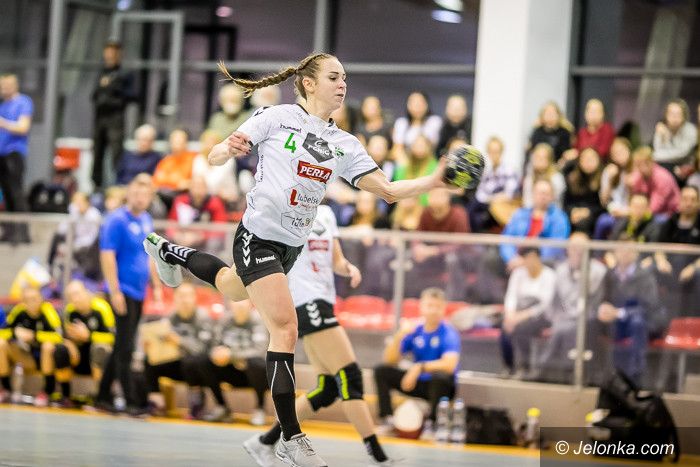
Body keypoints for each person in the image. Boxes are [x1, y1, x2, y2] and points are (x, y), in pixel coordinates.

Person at [144, 52, 451, 467]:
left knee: (232, 287)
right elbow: (214, 155)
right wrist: (226, 149)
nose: (342, 84)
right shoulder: (276, 117)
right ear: (308, 83)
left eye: (345, 78)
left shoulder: (345, 144)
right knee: (285, 329)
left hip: (290, 247)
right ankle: (290, 438)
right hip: (257, 236)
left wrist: (435, 180)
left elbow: (390, 191)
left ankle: (167, 251)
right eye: (333, 77)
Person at [244, 204, 394, 465]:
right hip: (306, 301)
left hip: (324, 300)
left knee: (327, 388)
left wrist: (348, 268)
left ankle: (266, 441)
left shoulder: (326, 213)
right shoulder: (285, 205)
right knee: (350, 376)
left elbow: (336, 260)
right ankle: (379, 456)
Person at [95, 174, 164, 413]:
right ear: (129, 194)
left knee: (122, 345)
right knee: (126, 347)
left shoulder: (145, 219)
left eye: (145, 195)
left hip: (138, 291)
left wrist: (156, 285)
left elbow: (150, 254)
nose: (140, 198)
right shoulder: (116, 220)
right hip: (122, 290)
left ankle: (102, 396)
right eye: (136, 193)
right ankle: (130, 400)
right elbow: (107, 255)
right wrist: (114, 291)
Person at [373, 288, 460, 439]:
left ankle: (432, 424)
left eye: (438, 307)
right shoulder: (415, 330)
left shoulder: (448, 333)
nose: (433, 311)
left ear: (443, 309)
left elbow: (450, 365)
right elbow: (389, 360)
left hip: (440, 387)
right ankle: (387, 420)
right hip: (415, 383)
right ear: (421, 307)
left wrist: (419, 367)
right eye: (430, 306)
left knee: (441, 377)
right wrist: (400, 334)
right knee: (381, 371)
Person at [195, 299, 269, 424]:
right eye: (236, 302)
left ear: (250, 304)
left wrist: (233, 355)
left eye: (243, 302)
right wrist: (217, 353)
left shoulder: (258, 320)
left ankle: (260, 408)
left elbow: (260, 350)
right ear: (230, 305)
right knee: (203, 361)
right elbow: (214, 345)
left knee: (255, 363)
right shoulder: (225, 320)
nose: (239, 306)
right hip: (230, 370)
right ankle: (222, 407)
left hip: (253, 374)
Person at [54, 280, 115, 406]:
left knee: (99, 349)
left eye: (77, 294)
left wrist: (89, 336)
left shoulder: (101, 308)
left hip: (99, 357)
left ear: (86, 292)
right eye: (70, 296)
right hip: (79, 355)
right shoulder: (70, 311)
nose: (74, 299)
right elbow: (62, 335)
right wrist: (69, 343)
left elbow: (112, 337)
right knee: (61, 349)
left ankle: (101, 397)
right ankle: (66, 396)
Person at [0, 286, 62, 406]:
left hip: (45, 358)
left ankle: (47, 391)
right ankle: (6, 389)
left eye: (35, 298)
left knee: (48, 346)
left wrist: (34, 336)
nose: (32, 302)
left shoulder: (48, 311)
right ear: (23, 301)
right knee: (1, 343)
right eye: (27, 299)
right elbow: (2, 331)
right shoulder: (19, 311)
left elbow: (59, 336)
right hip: (25, 357)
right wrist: (15, 333)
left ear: (41, 298)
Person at [500, 248, 556, 378]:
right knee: (505, 328)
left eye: (533, 258)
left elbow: (545, 305)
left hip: (542, 316)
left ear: (539, 258)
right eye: (527, 258)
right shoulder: (518, 273)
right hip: (518, 312)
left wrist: (520, 317)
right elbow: (511, 296)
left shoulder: (549, 275)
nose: (531, 261)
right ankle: (509, 366)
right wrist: (510, 315)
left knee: (521, 328)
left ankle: (525, 367)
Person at [91, 40, 135, 190]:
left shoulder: (124, 74)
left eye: (113, 52)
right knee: (97, 152)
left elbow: (133, 95)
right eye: (107, 52)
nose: (109, 55)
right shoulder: (101, 73)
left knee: (117, 153)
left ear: (118, 54)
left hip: (115, 118)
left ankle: (119, 184)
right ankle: (96, 185)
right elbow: (94, 95)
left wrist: (113, 88)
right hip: (100, 118)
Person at [0, 73, 33, 243]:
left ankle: (23, 232)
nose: (4, 88)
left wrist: (3, 123)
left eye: (7, 85)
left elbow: (23, 127)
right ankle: (10, 231)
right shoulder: (3, 105)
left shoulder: (23, 102)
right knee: (6, 194)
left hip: (14, 153)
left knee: (16, 192)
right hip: (1, 154)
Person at [628, 146, 680, 218]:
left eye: (646, 163)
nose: (642, 167)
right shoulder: (638, 175)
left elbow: (654, 208)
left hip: (670, 213)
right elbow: (636, 197)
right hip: (649, 212)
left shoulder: (662, 178)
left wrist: (630, 213)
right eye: (638, 164)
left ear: (652, 162)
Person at [652, 99, 697, 180]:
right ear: (666, 115)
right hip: (664, 163)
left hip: (684, 166)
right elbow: (657, 149)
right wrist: (663, 136)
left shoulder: (691, 130)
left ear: (684, 116)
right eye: (671, 113)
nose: (675, 117)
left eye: (678, 114)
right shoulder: (661, 127)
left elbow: (682, 153)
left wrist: (654, 156)